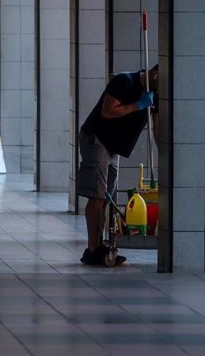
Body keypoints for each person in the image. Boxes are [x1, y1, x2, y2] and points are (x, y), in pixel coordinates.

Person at [77, 64, 159, 267]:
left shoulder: (155, 94)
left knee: (107, 197)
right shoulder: (124, 81)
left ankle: (100, 244)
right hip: (98, 140)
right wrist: (138, 105)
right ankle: (93, 249)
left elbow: (157, 127)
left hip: (114, 147)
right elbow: (108, 111)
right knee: (97, 195)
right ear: (155, 75)